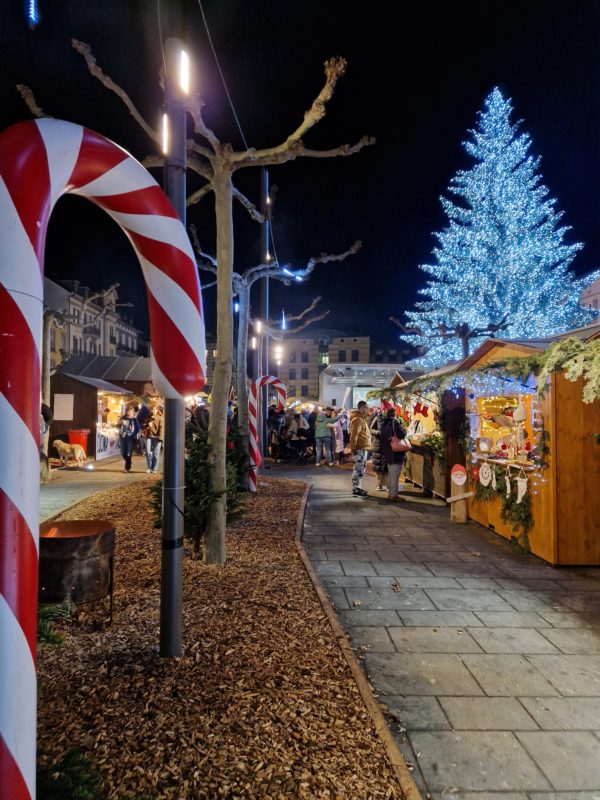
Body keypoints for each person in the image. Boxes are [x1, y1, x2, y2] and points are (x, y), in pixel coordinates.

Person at [380, 408, 408, 501]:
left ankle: (390, 494)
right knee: (395, 475)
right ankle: (394, 495)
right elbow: (401, 435)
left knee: (391, 474)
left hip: (388, 451)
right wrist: (404, 430)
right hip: (395, 453)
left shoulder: (384, 424)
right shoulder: (394, 422)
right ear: (394, 414)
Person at [348, 400, 371, 497]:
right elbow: (354, 435)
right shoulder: (357, 419)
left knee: (361, 469)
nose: (367, 409)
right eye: (366, 407)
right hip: (360, 448)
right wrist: (353, 449)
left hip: (362, 447)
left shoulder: (361, 419)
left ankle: (358, 488)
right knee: (358, 468)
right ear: (361, 408)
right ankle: (356, 489)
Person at [369, 409, 387, 490]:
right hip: (378, 445)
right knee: (378, 466)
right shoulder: (377, 418)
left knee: (387, 466)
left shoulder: (393, 420)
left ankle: (388, 485)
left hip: (388, 445)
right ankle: (379, 484)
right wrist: (378, 432)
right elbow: (371, 429)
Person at [119, 407, 140, 473]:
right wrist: (120, 423)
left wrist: (133, 435)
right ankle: (129, 462)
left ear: (133, 412)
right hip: (123, 437)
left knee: (128, 453)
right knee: (123, 453)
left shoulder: (134, 419)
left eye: (131, 412)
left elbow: (137, 429)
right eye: (128, 412)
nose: (129, 413)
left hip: (130, 438)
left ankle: (127, 467)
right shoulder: (123, 418)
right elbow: (117, 426)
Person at [145, 405, 164, 474]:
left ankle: (154, 468)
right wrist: (147, 425)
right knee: (147, 452)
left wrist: (161, 438)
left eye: (154, 409)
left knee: (156, 453)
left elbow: (162, 429)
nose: (152, 410)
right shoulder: (149, 417)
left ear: (157, 410)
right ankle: (149, 467)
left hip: (157, 437)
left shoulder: (160, 418)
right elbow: (144, 426)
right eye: (151, 409)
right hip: (148, 436)